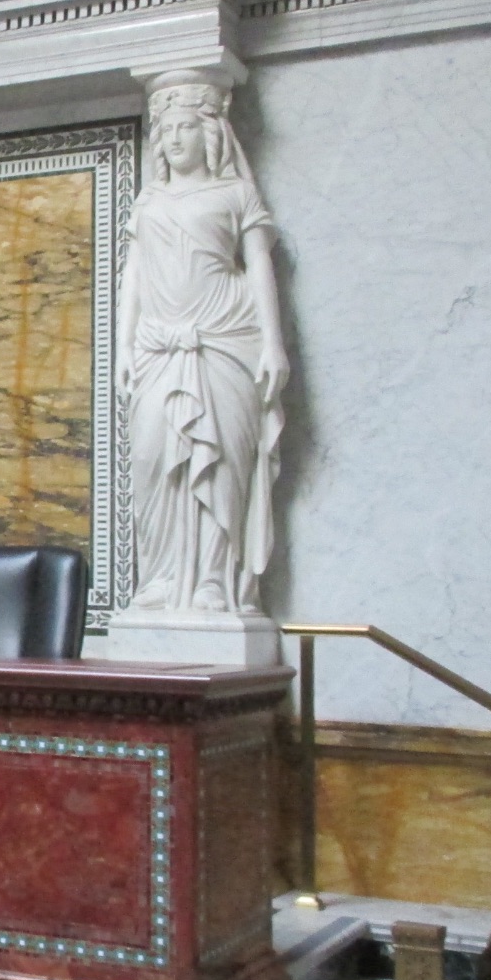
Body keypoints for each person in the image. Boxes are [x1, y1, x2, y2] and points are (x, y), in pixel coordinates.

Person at [116, 69, 288, 613]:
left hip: (224, 342)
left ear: (209, 133)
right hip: (158, 347)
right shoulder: (148, 202)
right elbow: (133, 279)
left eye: (183, 128)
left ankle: (213, 578)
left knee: (221, 462)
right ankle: (163, 577)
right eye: (164, 130)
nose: (172, 139)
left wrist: (274, 343)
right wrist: (123, 348)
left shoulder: (236, 193)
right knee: (153, 460)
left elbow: (260, 267)